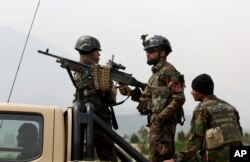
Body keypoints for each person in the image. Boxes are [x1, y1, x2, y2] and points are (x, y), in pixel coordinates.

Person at [119, 35, 186, 162]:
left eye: (151, 51)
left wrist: (159, 119)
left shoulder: (168, 71)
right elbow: (150, 99)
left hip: (163, 128)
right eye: (146, 51)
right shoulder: (155, 74)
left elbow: (179, 98)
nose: (147, 54)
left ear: (162, 52)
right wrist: (130, 93)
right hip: (157, 128)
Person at [167, 73, 243, 162]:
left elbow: (195, 144)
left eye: (194, 89)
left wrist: (175, 160)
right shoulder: (230, 107)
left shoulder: (202, 109)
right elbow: (239, 136)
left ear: (201, 90)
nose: (191, 92)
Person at [73, 35, 117, 161]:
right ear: (91, 52)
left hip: (82, 119)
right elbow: (110, 99)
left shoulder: (79, 72)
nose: (99, 55)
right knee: (108, 158)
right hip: (100, 121)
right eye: (97, 51)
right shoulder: (94, 72)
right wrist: (112, 88)